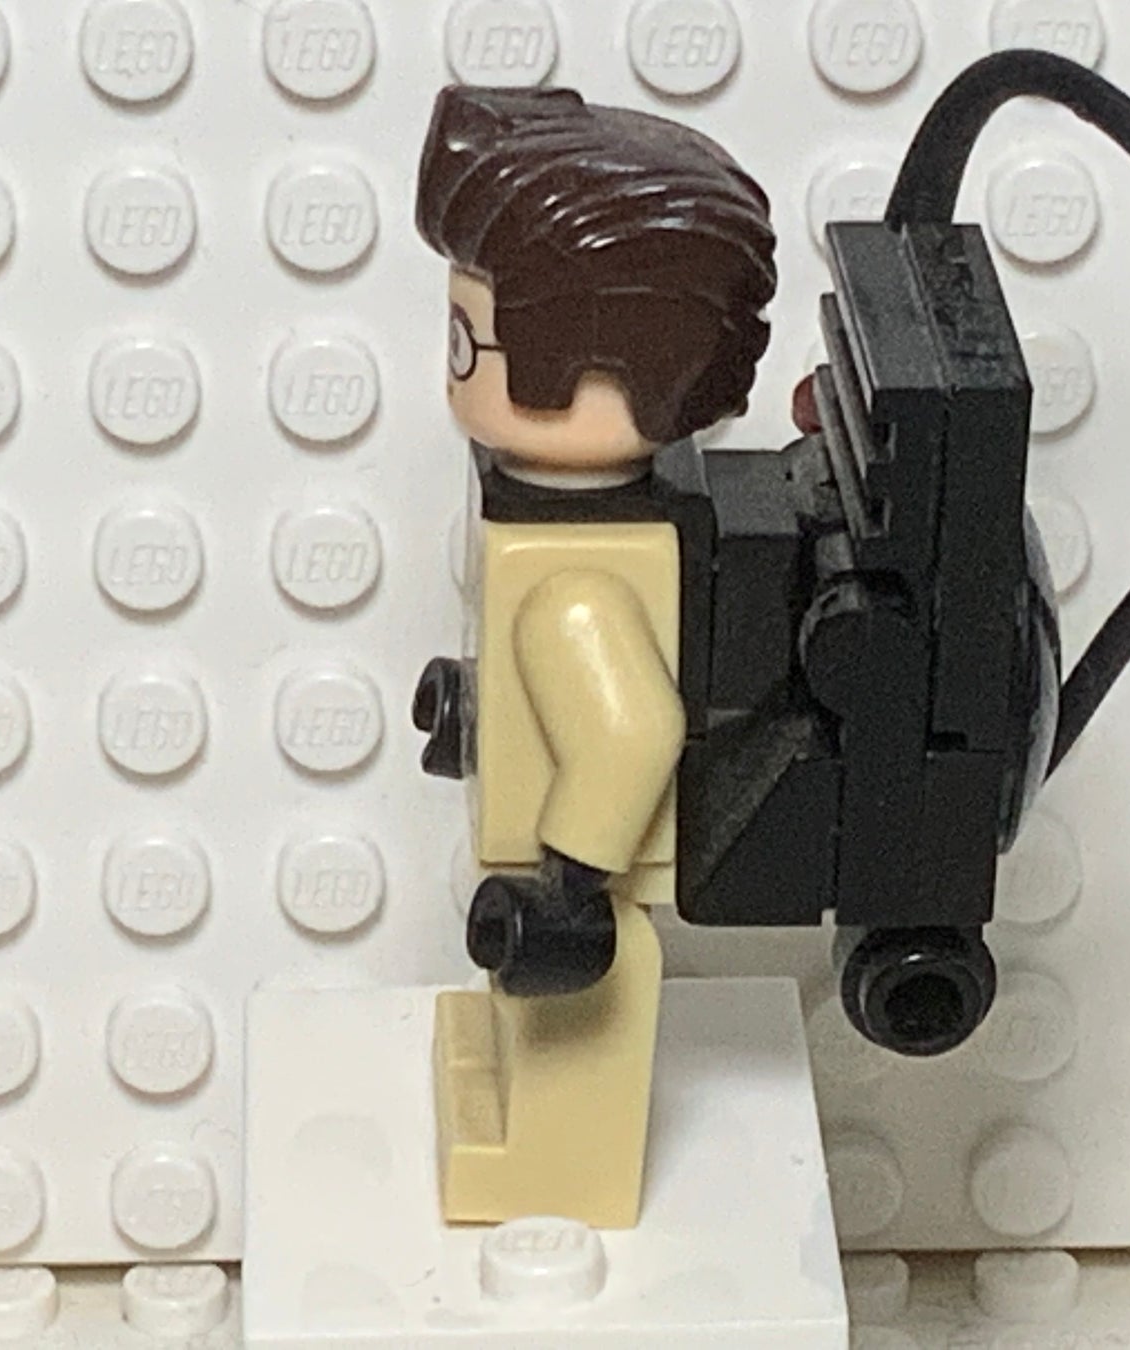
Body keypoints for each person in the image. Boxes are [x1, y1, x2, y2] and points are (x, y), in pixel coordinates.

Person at [412, 84, 776, 1227]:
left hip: (583, 909)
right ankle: (506, 1102)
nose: (455, 360)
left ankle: (548, 1175)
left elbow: (631, 732)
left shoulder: (576, 587)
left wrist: (570, 885)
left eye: (473, 336)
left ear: (601, 362)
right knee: (528, 1016)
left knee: (580, 1030)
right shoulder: (541, 535)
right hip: (546, 871)